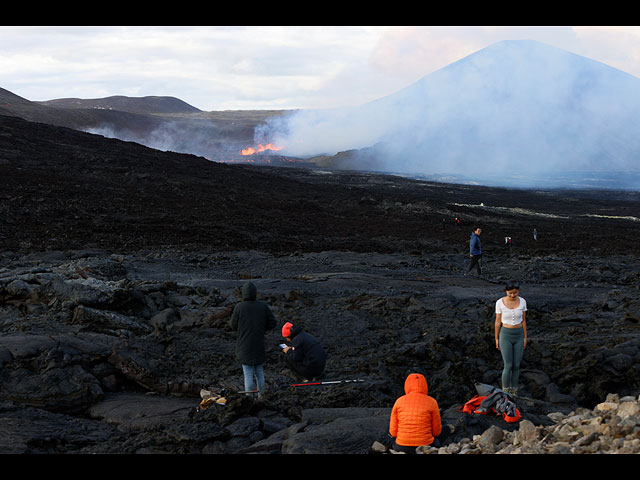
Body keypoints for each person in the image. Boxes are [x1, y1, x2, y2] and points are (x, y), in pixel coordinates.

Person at [230, 281, 276, 397]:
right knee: (260, 373)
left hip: (244, 345)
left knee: (248, 374)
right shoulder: (262, 306)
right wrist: (261, 328)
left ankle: (249, 399)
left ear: (243, 294)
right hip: (258, 343)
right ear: (255, 293)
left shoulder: (239, 307)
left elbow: (233, 325)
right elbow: (273, 323)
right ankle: (262, 397)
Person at [389, 373, 450, 453]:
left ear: (407, 385)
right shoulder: (432, 402)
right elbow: (436, 432)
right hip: (426, 446)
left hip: (401, 447)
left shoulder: (399, 401)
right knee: (446, 429)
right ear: (425, 386)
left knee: (390, 428)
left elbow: (393, 432)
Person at [494, 282, 527, 396]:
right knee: (508, 365)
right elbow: (498, 322)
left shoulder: (522, 301)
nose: (513, 295)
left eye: (515, 293)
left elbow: (523, 321)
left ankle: (514, 391)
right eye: (510, 293)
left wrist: (525, 337)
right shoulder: (500, 303)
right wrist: (497, 338)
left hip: (518, 335)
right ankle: (505, 391)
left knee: (516, 365)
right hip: (505, 335)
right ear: (506, 291)